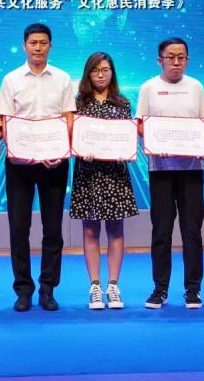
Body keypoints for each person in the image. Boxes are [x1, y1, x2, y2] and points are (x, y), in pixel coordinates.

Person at [0, 22, 76, 312]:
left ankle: (47, 288)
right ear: (24, 46)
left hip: (54, 163)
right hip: (19, 164)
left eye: (43, 43)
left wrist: (60, 150)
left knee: (53, 228)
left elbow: (68, 118)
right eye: (33, 43)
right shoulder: (11, 79)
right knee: (19, 229)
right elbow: (6, 122)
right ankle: (23, 290)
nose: (38, 48)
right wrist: (22, 152)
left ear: (50, 46)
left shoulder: (63, 78)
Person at [137, 37, 204, 310]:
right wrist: (158, 141)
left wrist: (199, 143)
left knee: (192, 231)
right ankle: (160, 289)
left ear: (187, 60)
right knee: (161, 232)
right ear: (160, 60)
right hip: (161, 169)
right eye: (171, 57)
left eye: (181, 57)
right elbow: (140, 125)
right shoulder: (149, 87)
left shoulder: (196, 87)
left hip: (192, 169)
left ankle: (193, 290)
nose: (176, 62)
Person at [68, 52, 138, 310]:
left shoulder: (122, 103)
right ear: (88, 73)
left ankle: (113, 286)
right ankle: (95, 286)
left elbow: (127, 137)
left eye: (105, 70)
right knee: (90, 230)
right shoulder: (78, 103)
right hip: (88, 173)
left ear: (112, 73)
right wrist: (80, 148)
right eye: (95, 70)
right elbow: (71, 136)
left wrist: (124, 151)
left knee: (116, 230)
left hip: (115, 173)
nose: (100, 75)